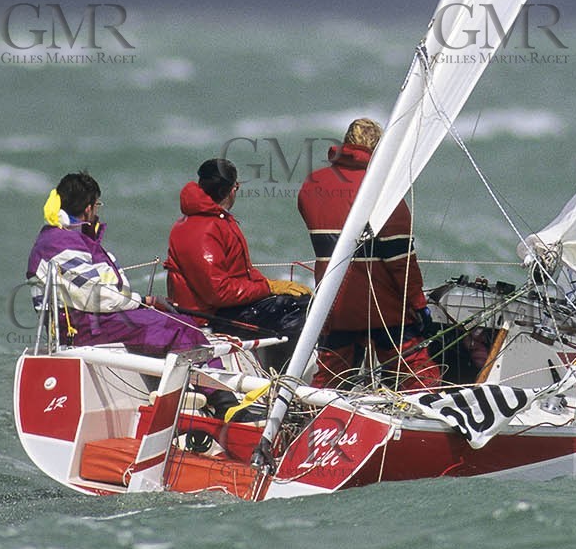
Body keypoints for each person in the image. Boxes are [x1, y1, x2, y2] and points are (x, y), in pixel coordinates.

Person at [296, 118, 440, 390]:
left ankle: (312, 413)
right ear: (379, 148)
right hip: (383, 305)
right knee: (419, 376)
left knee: (330, 380)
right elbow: (400, 260)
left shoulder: (313, 183)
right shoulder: (382, 189)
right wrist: (418, 303)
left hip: (334, 300)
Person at [27, 171, 209, 355]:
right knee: (178, 329)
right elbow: (96, 296)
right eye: (97, 205)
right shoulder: (61, 243)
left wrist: (143, 303)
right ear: (88, 209)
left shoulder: (61, 238)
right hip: (85, 329)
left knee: (182, 323)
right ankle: (207, 372)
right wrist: (144, 301)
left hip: (92, 321)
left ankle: (196, 367)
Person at [165, 158, 311, 369]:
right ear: (233, 189)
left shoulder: (210, 220)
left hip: (222, 308)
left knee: (298, 299)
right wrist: (268, 288)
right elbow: (218, 292)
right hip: (209, 317)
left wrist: (270, 285)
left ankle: (280, 369)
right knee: (299, 309)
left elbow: (241, 273)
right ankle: (285, 376)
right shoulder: (205, 228)